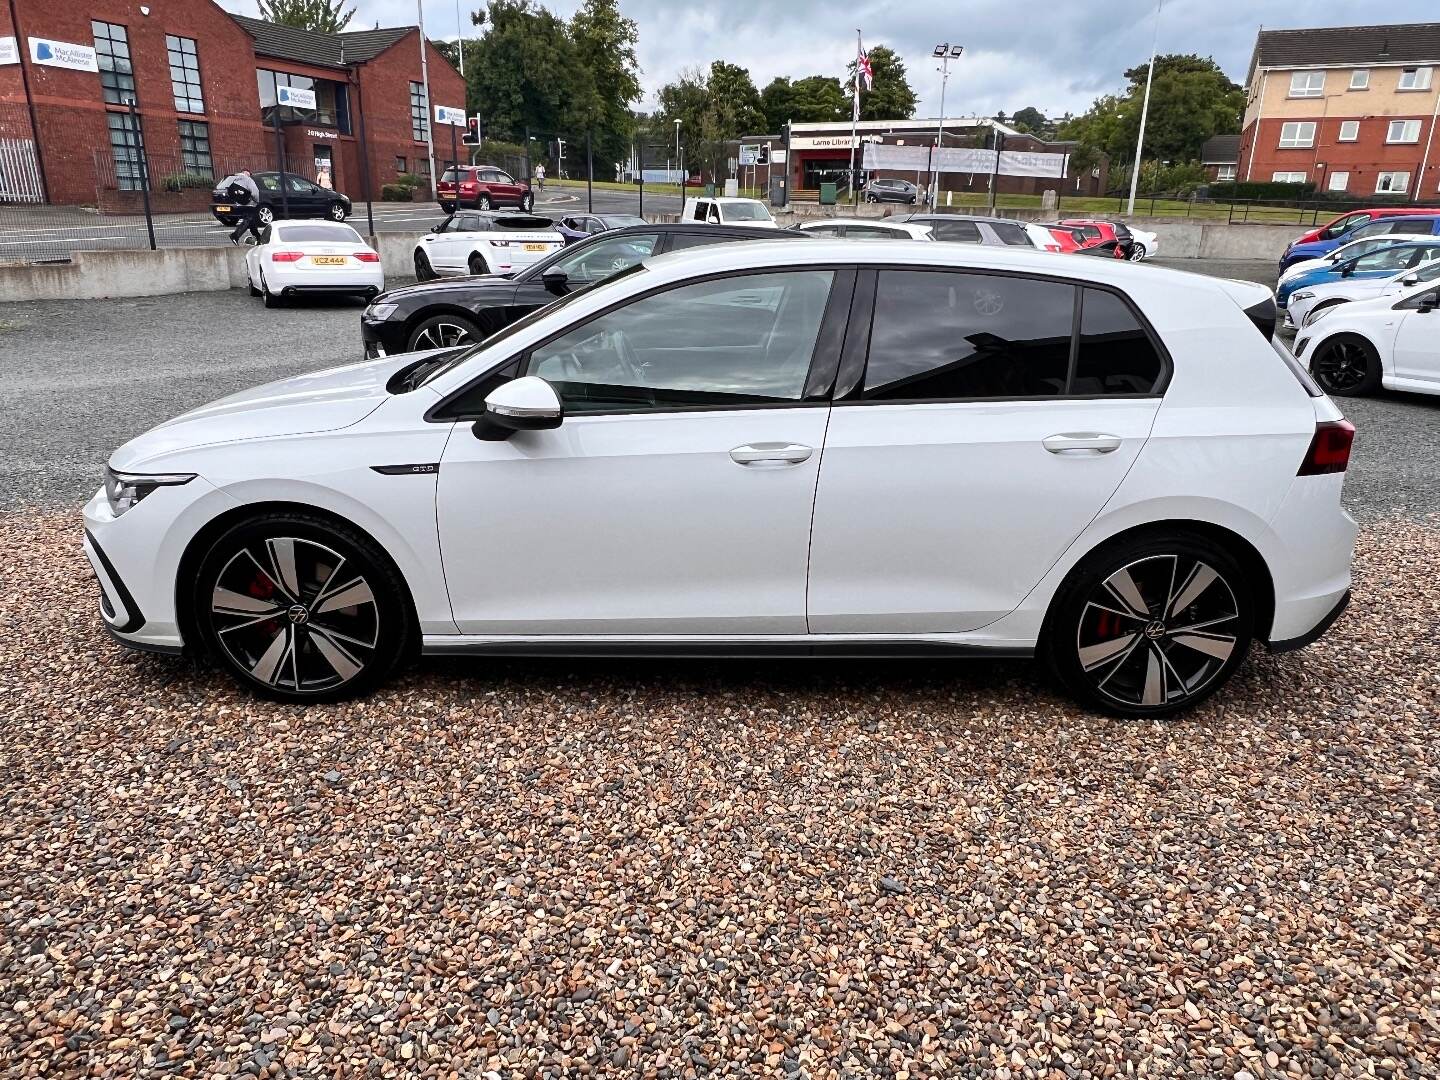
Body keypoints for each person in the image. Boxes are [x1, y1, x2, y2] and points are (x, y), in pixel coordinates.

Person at [218, 169, 262, 245]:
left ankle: (259, 239)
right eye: (249, 173)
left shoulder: (233, 179)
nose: (249, 175)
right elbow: (255, 193)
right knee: (249, 219)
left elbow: (228, 191)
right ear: (245, 173)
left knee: (252, 222)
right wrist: (257, 201)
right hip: (250, 204)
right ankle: (235, 236)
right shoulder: (248, 180)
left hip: (239, 204)